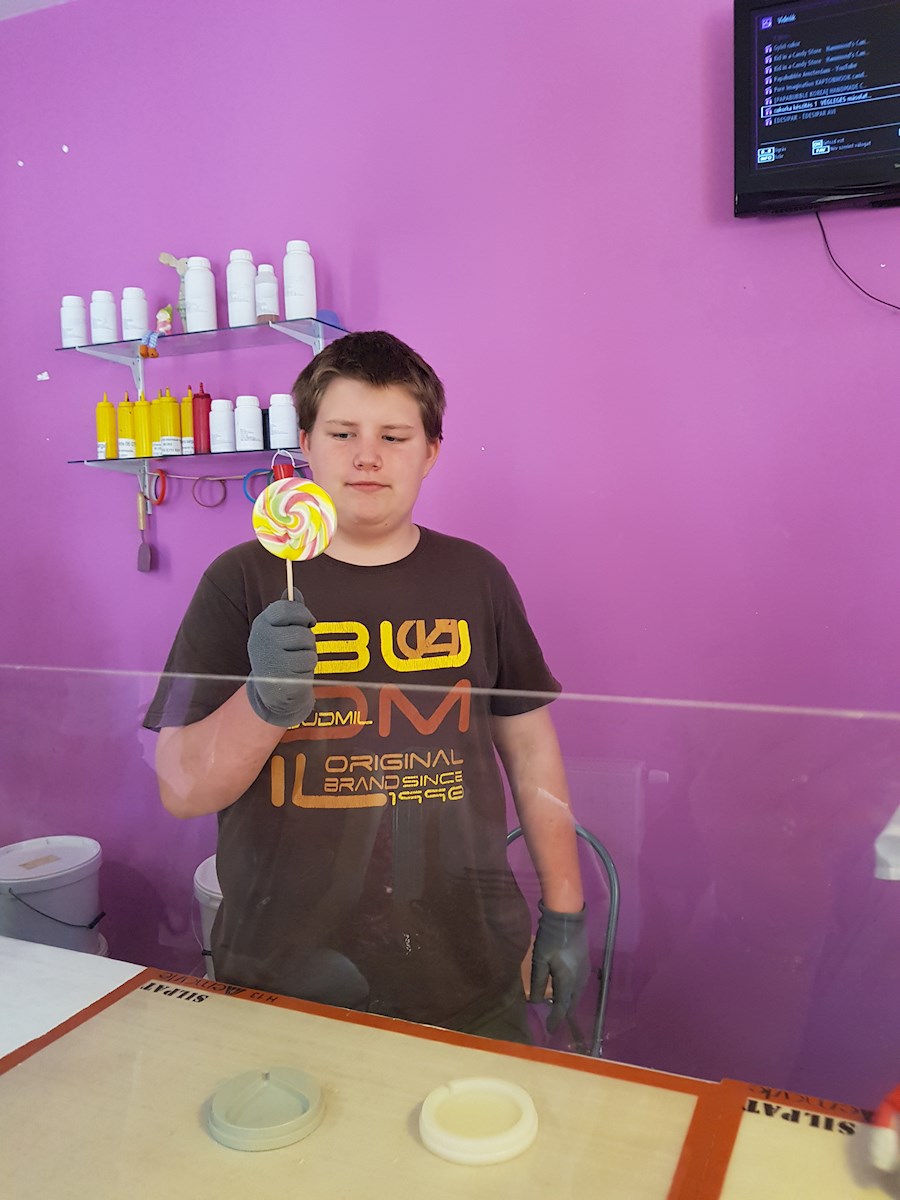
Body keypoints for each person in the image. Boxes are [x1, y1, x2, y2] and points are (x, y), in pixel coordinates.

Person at [145, 331, 587, 1043]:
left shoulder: (478, 578)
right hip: (285, 970)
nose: (367, 456)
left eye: (394, 436)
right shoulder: (241, 581)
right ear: (305, 444)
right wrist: (261, 702)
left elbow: (531, 749)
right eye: (342, 432)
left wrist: (564, 911)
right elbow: (181, 790)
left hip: (468, 963)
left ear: (430, 451)